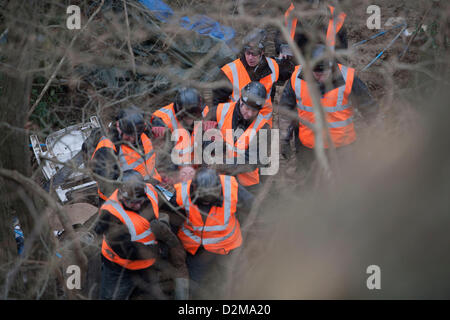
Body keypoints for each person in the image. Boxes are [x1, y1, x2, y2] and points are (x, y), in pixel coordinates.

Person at [279, 43, 379, 171]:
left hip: (342, 149)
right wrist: (284, 139)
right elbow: (285, 111)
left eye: (323, 73)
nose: (320, 77)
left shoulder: (348, 79)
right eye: (316, 73)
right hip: (308, 149)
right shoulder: (296, 78)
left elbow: (369, 108)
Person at [95, 170, 188, 300]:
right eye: (132, 202)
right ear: (121, 195)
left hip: (148, 265)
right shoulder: (109, 214)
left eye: (140, 200)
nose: (137, 205)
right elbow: (126, 250)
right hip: (120, 268)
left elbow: (169, 207)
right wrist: (159, 250)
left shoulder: (150, 190)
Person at [166, 168, 254, 299]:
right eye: (203, 198)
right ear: (194, 187)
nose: (206, 202)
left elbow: (254, 206)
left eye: (210, 198)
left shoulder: (231, 187)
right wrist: (174, 245)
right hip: (196, 250)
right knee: (195, 288)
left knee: (234, 284)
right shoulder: (182, 192)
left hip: (227, 247)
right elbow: (171, 217)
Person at [212, 28, 291, 124]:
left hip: (263, 124)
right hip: (238, 123)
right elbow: (215, 101)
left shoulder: (273, 66)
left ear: (262, 52)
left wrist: (288, 62)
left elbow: (275, 89)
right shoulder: (230, 71)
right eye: (248, 52)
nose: (250, 57)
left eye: (254, 53)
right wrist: (212, 120)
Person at [205, 81, 273, 192]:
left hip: (245, 182)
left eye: (254, 111)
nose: (249, 114)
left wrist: (222, 165)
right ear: (240, 100)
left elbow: (252, 161)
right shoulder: (219, 111)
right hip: (215, 173)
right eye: (247, 108)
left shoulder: (263, 128)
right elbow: (202, 138)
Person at [89, 106, 161, 206]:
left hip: (149, 189)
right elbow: (106, 186)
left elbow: (153, 117)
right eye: (128, 135)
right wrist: (128, 200)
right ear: (118, 125)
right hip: (120, 200)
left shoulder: (141, 129)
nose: (131, 139)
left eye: (135, 135)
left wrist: (158, 122)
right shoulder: (107, 149)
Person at [151, 87, 217, 185]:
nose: (190, 119)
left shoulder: (205, 111)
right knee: (162, 140)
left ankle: (206, 176)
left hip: (196, 164)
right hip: (175, 167)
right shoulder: (162, 118)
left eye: (194, 115)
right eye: (187, 116)